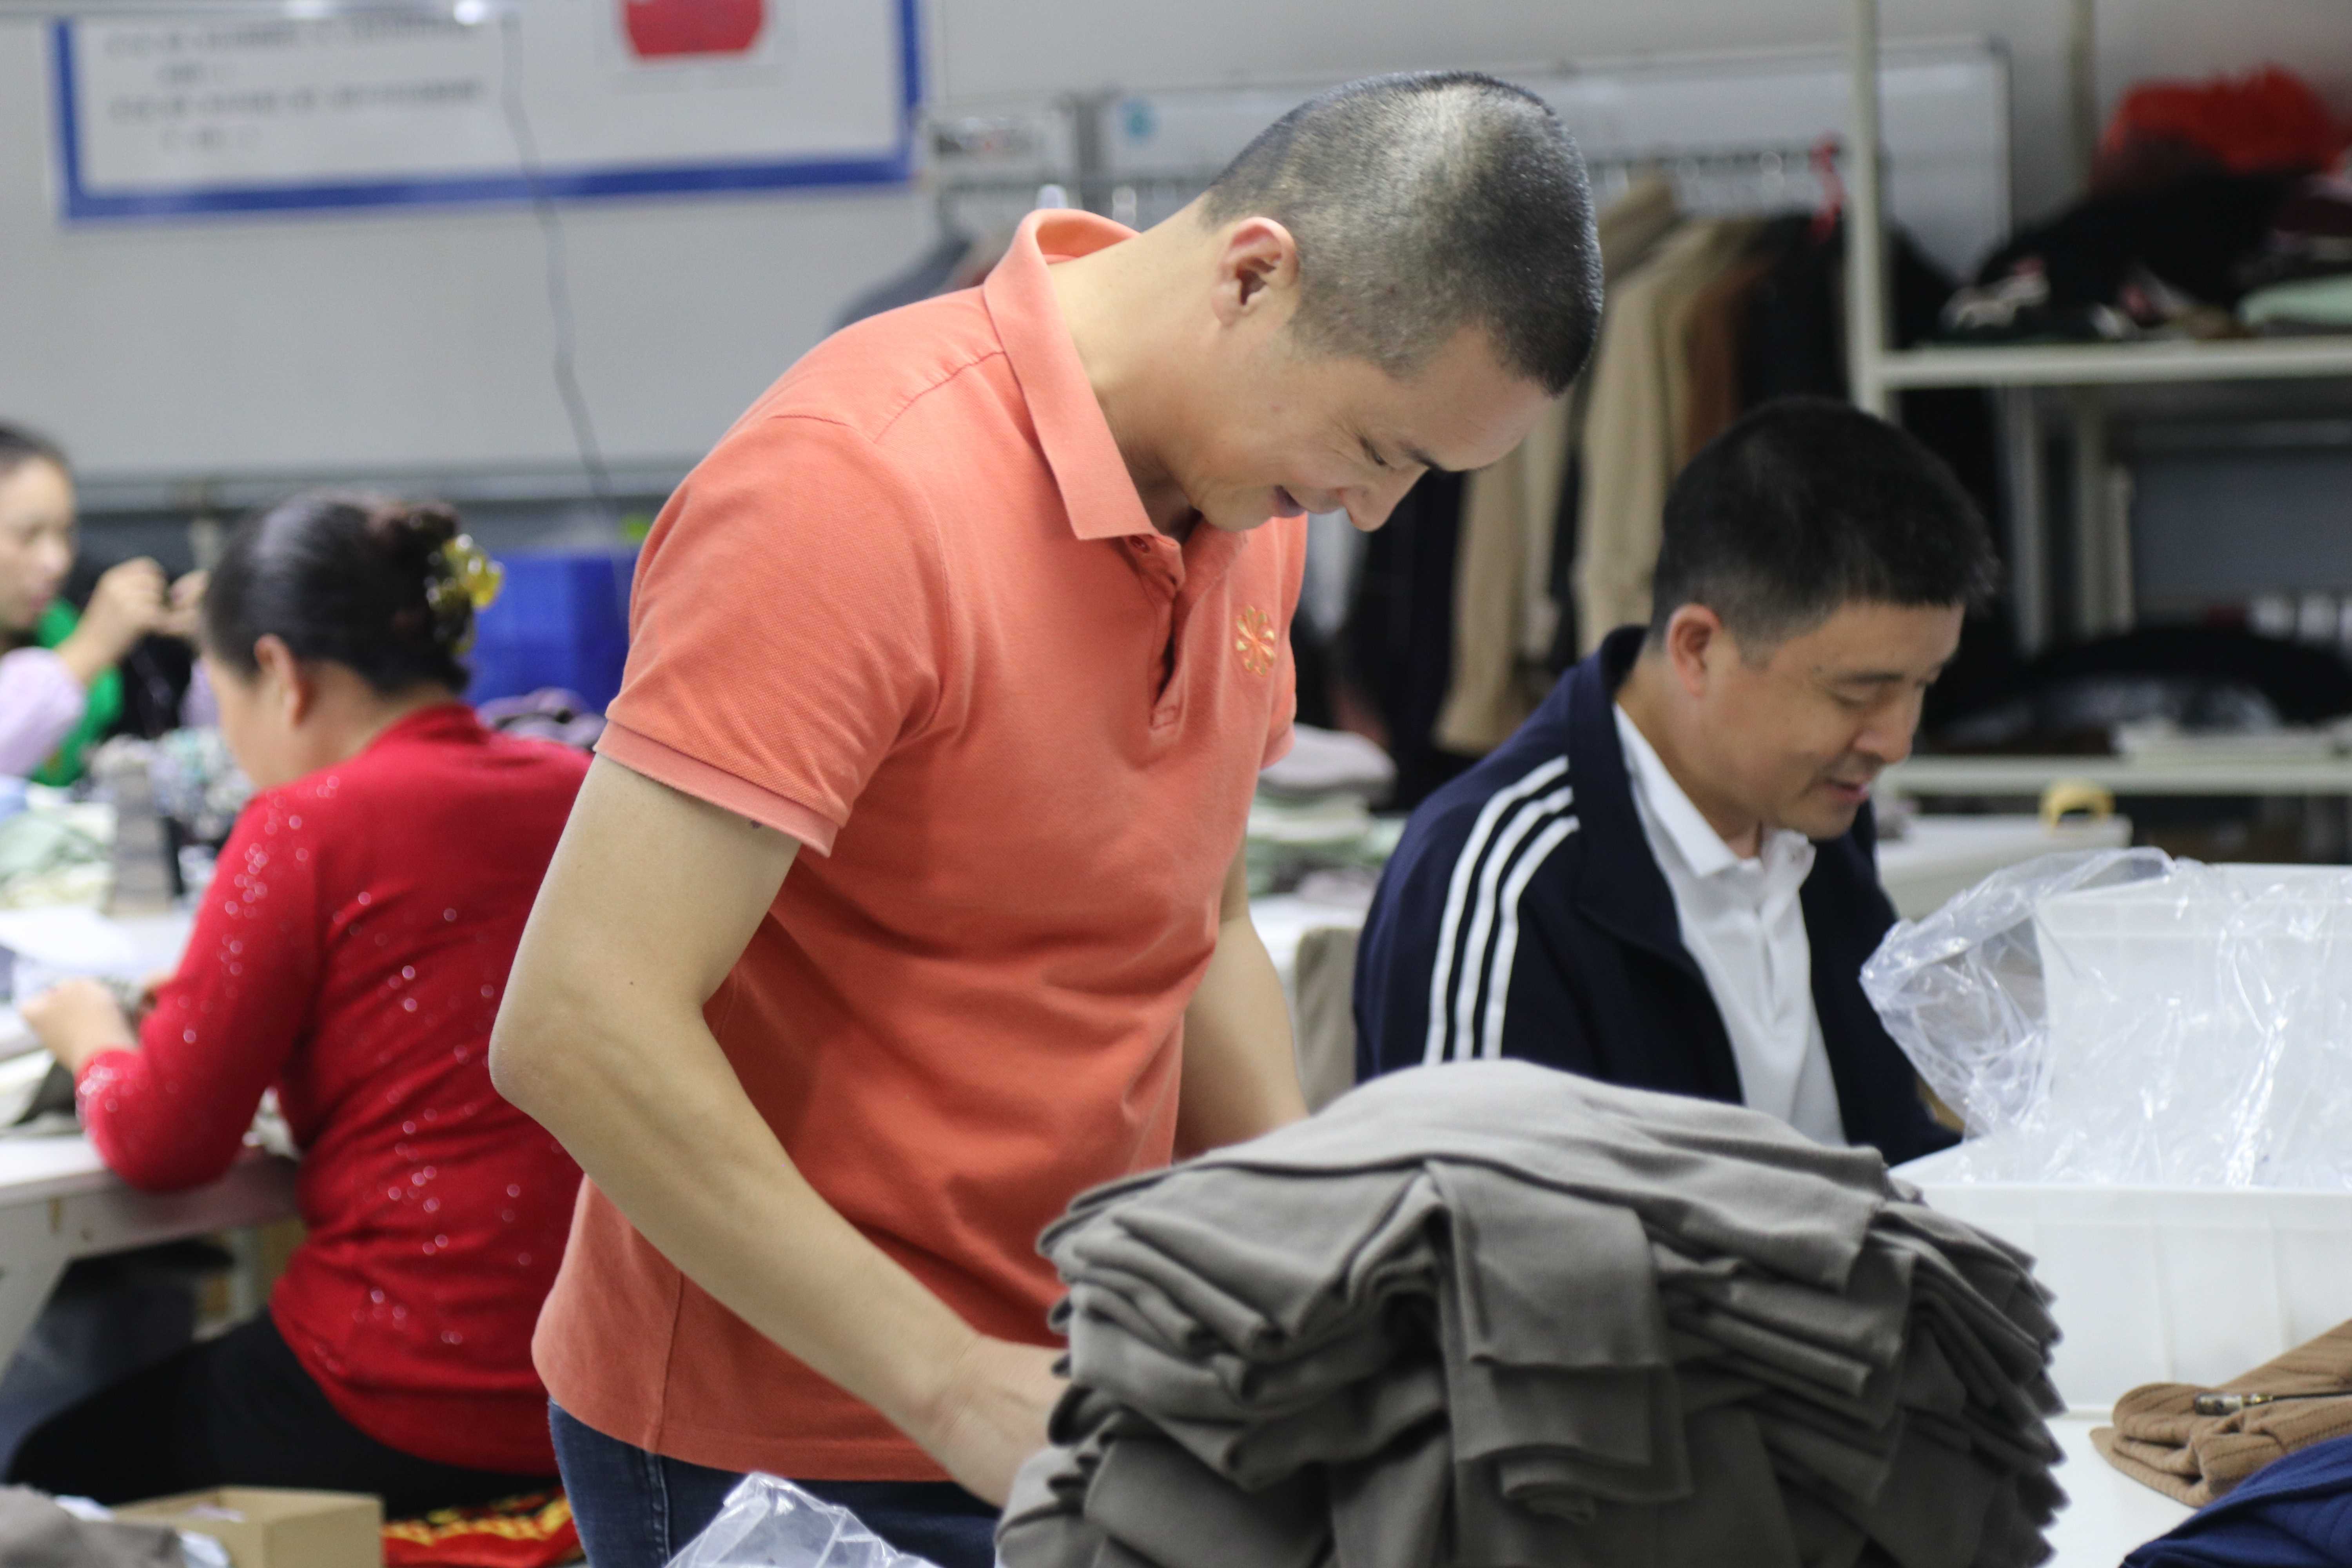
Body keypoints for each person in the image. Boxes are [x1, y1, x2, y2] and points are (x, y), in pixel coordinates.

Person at [488, 71, 1602, 1568]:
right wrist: (947, 1379)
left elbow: (1195, 921)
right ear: (1253, 276)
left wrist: (1316, 1240)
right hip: (792, 1426)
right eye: (1381, 448)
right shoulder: (852, 487)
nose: (1373, 513)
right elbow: (578, 1019)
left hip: (1081, 1378)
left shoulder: (1250, 502)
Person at [13, 494, 589, 1516]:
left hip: (410, 1380)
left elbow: (160, 1143)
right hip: (600, 1382)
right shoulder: (577, 790)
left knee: (49, 1476)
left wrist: (95, 1041)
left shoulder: (303, 824)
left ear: (278, 671)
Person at [1355, 398, 1997, 1165]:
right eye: (1858, 693)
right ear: (1698, 648)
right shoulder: (1503, 876)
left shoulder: (1811, 815)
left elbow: (1880, 1143)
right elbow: (1475, 1218)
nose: (1895, 740)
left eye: (1923, 684)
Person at [0, 424, 204, 783]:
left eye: (66, 533)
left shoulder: (60, 627)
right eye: (28, 536)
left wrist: (218, 650)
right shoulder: (83, 644)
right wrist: (90, 650)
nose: (57, 562)